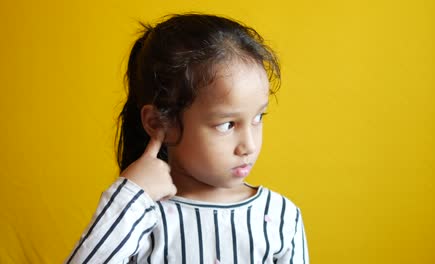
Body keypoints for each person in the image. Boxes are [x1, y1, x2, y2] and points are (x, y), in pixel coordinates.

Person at [65, 13, 309, 264]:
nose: (249, 145)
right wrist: (129, 196)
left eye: (258, 118)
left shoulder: (281, 218)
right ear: (160, 122)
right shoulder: (140, 216)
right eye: (227, 124)